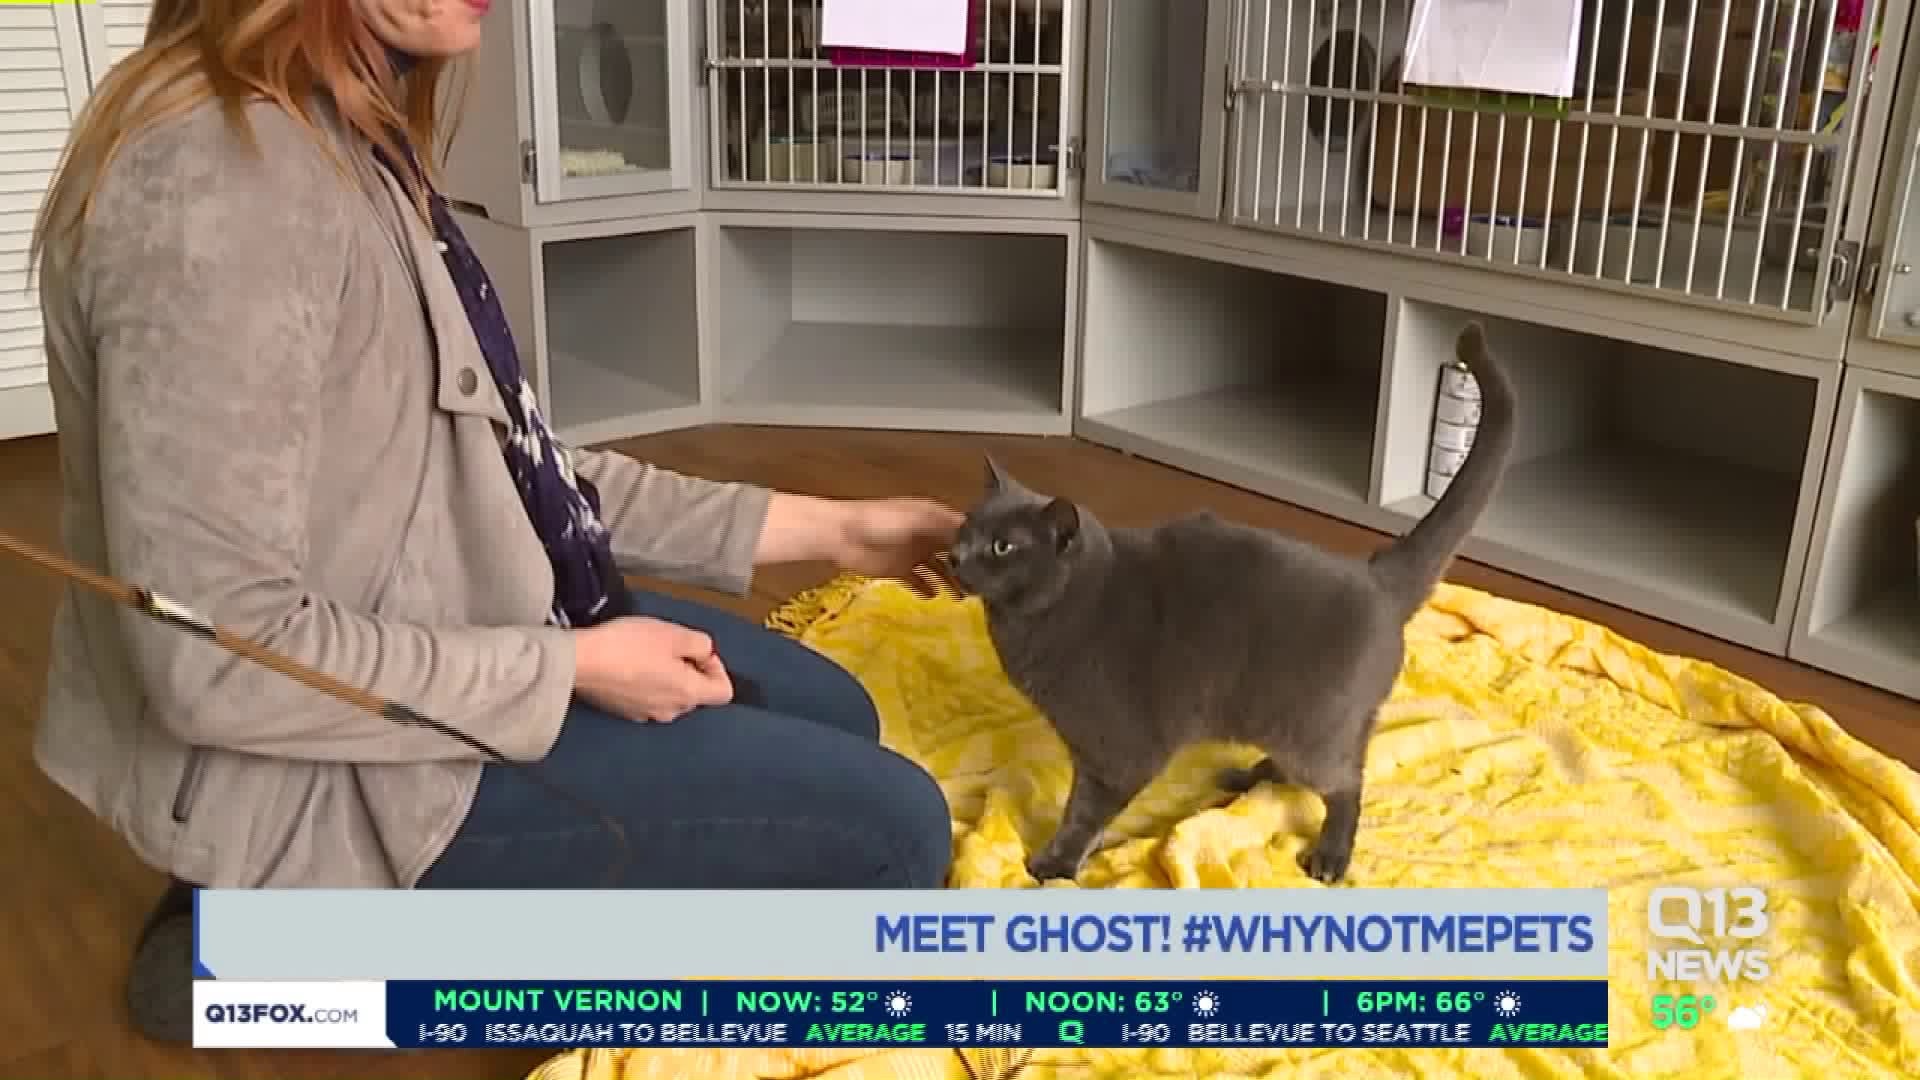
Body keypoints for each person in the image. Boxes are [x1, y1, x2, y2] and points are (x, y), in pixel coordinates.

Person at [31, 0, 963, 1044]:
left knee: (836, 713)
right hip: (329, 774)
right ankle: (270, 958)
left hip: (444, 624)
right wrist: (571, 670)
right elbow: (217, 659)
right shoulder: (223, 189)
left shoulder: (344, 128)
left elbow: (516, 470)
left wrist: (838, 532)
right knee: (893, 836)